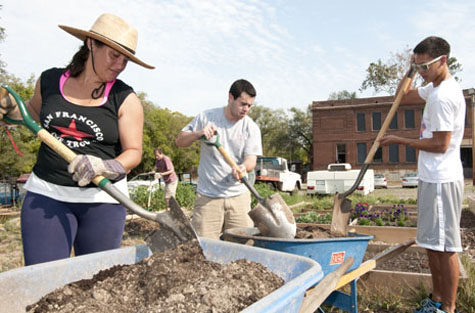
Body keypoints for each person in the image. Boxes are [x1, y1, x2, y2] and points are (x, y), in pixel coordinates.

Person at [0, 13, 154, 266]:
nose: (119, 64)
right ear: (91, 44)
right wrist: (9, 111)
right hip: (47, 194)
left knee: (94, 285)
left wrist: (106, 166)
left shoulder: (125, 98)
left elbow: (134, 152)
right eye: (114, 55)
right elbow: (32, 113)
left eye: (126, 60)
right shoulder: (50, 81)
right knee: (43, 282)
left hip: (101, 200)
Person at [379, 36, 465, 313]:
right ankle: (436, 299)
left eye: (424, 67)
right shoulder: (434, 87)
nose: (421, 73)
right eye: (418, 67)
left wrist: (399, 140)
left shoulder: (443, 96)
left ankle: (447, 308)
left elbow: (440, 145)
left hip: (442, 179)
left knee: (445, 247)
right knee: (431, 244)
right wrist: (410, 70)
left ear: (443, 61)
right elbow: (401, 97)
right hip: (431, 178)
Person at [176, 79, 262, 239]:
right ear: (230, 97)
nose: (246, 109)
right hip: (208, 197)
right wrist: (197, 134)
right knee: (203, 250)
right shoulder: (206, 117)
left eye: (250, 106)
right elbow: (180, 141)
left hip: (239, 198)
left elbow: (251, 160)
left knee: (245, 251)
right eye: (243, 104)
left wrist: (243, 167)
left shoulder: (251, 127)